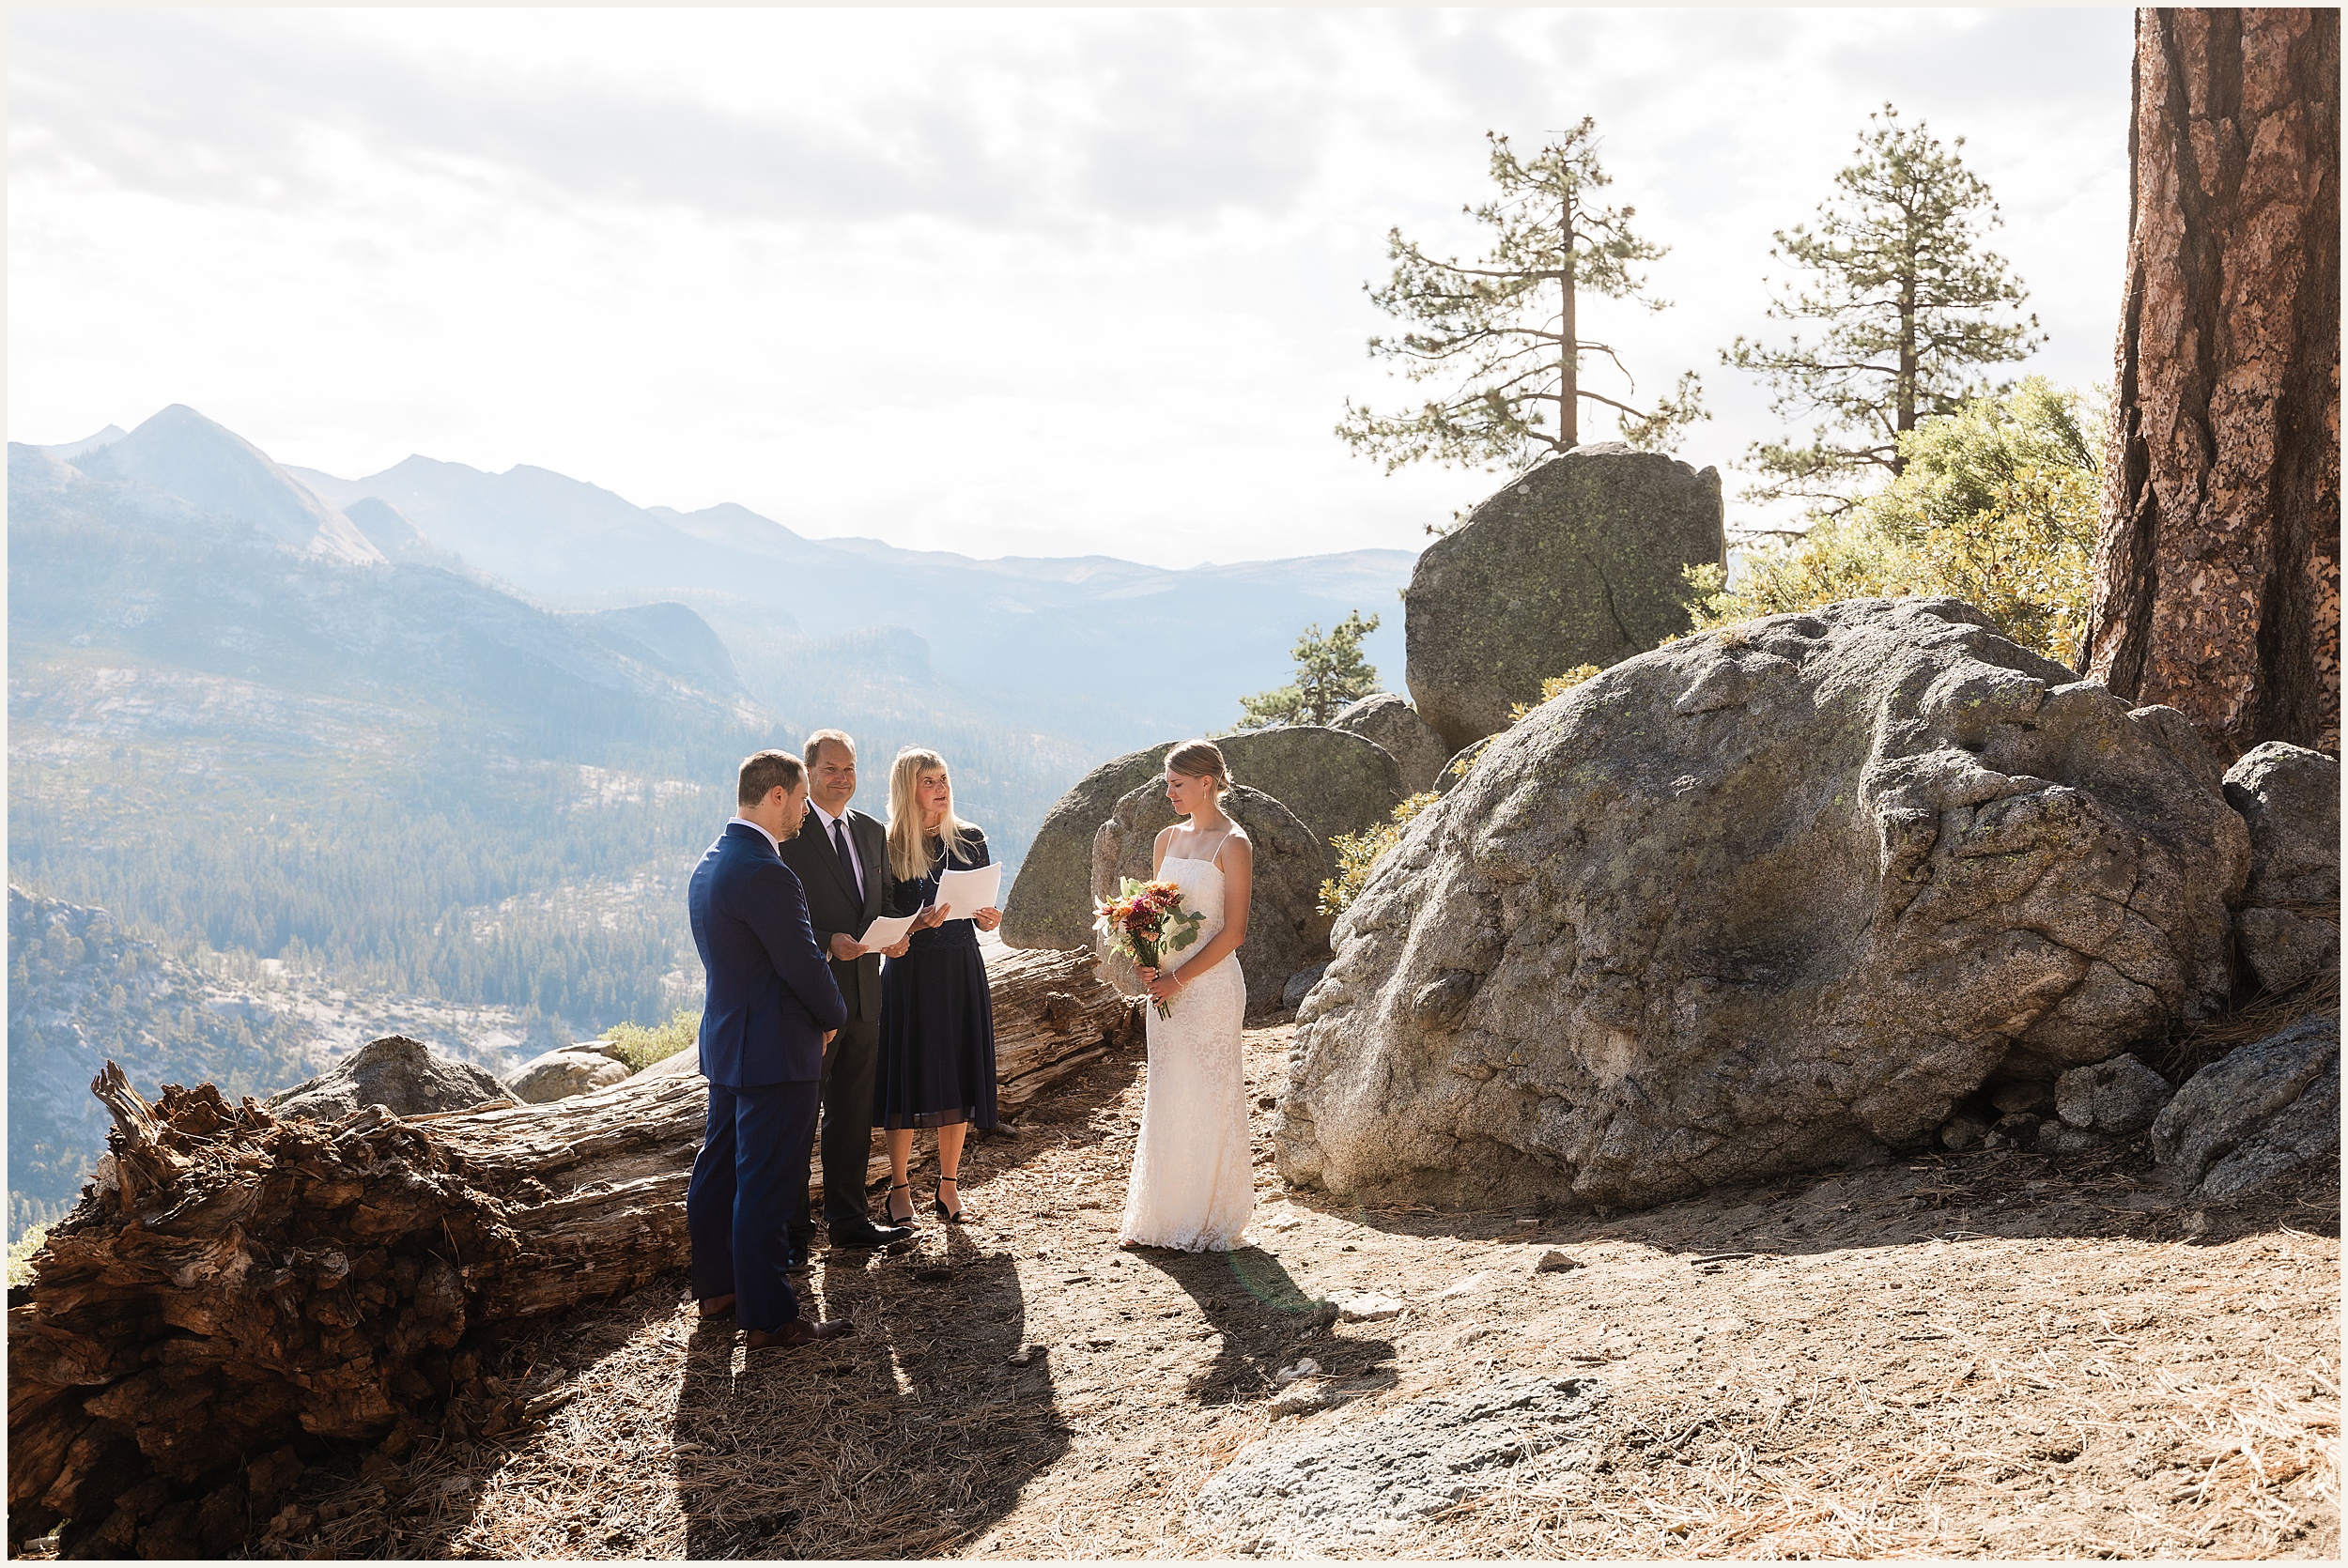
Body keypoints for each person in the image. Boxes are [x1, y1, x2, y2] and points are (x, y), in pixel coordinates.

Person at [682, 749, 855, 1350]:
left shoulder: (710, 863)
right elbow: (801, 962)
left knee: (720, 1166)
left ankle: (719, 1289)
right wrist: (835, 1017)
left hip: (729, 1042)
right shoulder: (765, 870)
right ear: (776, 794)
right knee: (766, 1183)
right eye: (803, 798)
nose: (805, 812)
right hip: (777, 1049)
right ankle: (769, 1316)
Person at [777, 729, 914, 1267]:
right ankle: (790, 1236)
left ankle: (849, 1221)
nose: (843, 777)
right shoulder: (789, 832)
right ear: (808, 772)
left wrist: (897, 936)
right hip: (810, 999)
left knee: (853, 1112)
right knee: (799, 1115)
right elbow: (779, 918)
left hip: (866, 994)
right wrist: (826, 943)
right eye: (832, 768)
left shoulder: (871, 831)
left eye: (851, 768)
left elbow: (878, 903)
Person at [1118, 739, 1255, 1252]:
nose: (1169, 792)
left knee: (1209, 1090)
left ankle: (1209, 1213)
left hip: (1211, 987)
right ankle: (1166, 1213)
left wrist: (1182, 978)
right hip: (1165, 987)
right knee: (1170, 1088)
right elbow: (1150, 913)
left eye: (1177, 784)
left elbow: (1235, 930)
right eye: (1167, 783)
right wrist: (1144, 957)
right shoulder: (1166, 839)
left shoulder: (1233, 844)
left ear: (1207, 783)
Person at [872, 747, 1002, 1224]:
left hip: (961, 967)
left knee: (958, 1073)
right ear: (908, 789)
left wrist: (990, 919)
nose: (941, 787)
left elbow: (984, 912)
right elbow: (880, 921)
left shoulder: (970, 839)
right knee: (907, 1078)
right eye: (929, 781)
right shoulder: (886, 847)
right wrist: (916, 924)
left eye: (944, 777)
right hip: (911, 974)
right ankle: (900, 1187)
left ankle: (949, 1185)